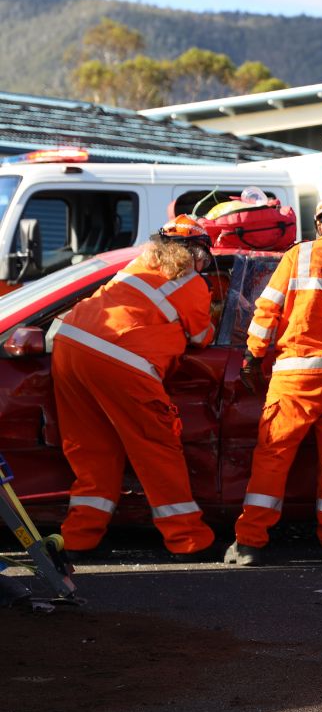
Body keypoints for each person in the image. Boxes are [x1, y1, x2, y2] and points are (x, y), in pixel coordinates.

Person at [53, 217, 217, 561]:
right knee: (156, 446)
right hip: (121, 360)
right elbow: (201, 338)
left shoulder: (136, 265)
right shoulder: (191, 283)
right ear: (199, 254)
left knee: (90, 448)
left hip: (69, 347)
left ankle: (80, 539)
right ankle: (187, 540)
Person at [225, 194, 322, 567]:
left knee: (272, 457)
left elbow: (266, 309)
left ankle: (250, 542)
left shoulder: (298, 255)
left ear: (320, 224)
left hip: (294, 376)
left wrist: (254, 355)